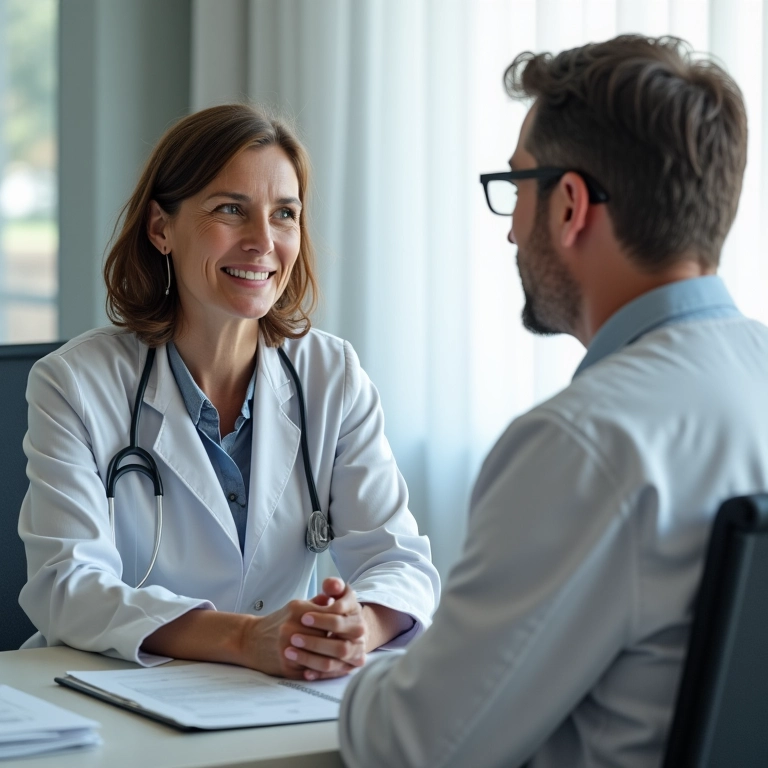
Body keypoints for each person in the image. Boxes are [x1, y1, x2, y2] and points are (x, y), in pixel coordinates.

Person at [339, 34, 768, 767]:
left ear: (569, 205)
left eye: (516, 188)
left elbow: (413, 750)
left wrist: (363, 678)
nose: (509, 228)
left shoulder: (585, 442)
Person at [18, 104, 439, 679]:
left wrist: (349, 630)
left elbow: (399, 560)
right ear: (161, 228)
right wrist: (246, 639)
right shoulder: (74, 383)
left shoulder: (331, 374)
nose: (263, 241)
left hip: (276, 696)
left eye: (284, 214)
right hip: (112, 691)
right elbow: (69, 587)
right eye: (230, 210)